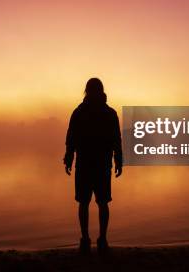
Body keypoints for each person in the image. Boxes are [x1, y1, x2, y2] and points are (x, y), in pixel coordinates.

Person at [63, 77, 123, 254]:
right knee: (102, 202)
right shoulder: (109, 113)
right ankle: (102, 240)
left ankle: (85, 239)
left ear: (86, 91)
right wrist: (118, 160)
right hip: (102, 164)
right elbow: (116, 140)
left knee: (84, 203)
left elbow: (70, 138)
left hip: (85, 164)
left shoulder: (79, 112)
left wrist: (69, 157)